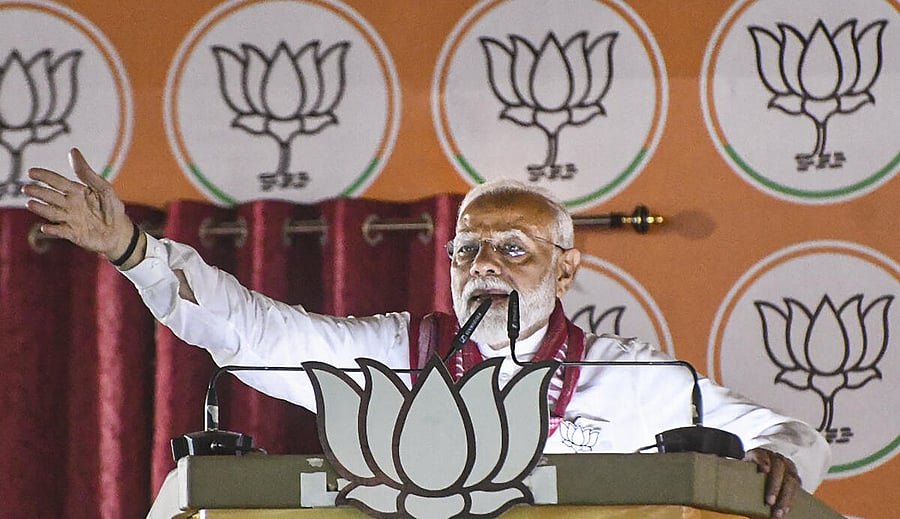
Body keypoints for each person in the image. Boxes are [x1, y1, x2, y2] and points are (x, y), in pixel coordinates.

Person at [25, 149, 830, 519]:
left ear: (568, 266)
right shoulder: (392, 353)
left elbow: (773, 432)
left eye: (512, 249)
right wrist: (136, 252)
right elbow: (249, 331)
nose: (485, 264)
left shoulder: (635, 379)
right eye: (468, 249)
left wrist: (782, 455)